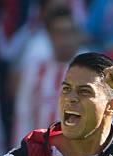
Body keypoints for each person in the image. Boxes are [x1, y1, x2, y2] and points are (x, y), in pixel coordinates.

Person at [12, 7, 82, 146]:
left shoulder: (91, 73)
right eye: (59, 33)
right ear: (49, 36)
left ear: (77, 35)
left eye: (69, 32)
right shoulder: (34, 71)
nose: (65, 39)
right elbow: (23, 115)